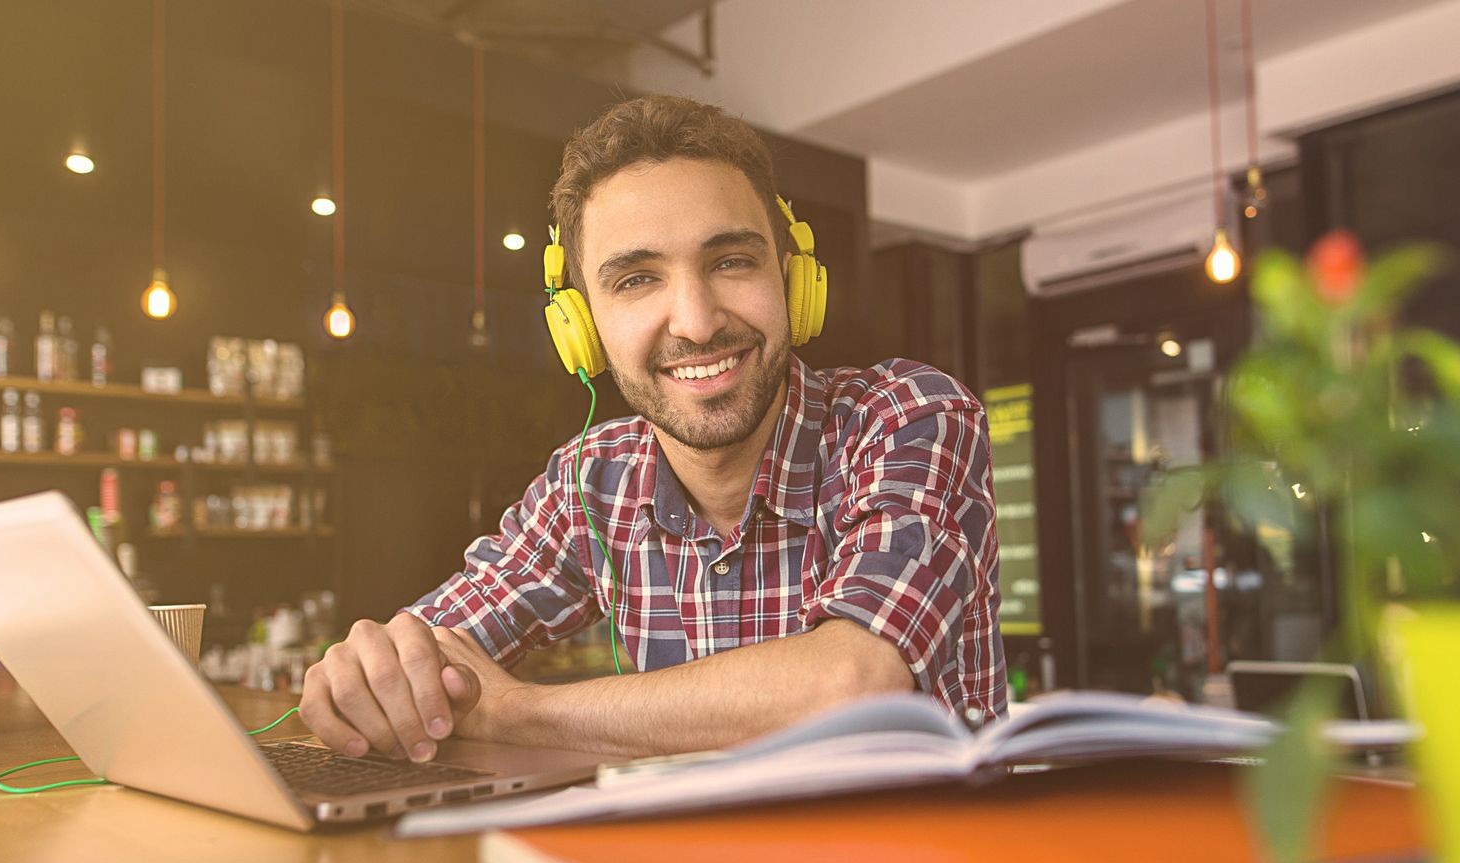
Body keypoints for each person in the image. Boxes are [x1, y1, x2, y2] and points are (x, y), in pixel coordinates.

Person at [299, 95, 1004, 763]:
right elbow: (427, 652)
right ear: (581, 327)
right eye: (636, 279)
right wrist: (372, 675)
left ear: (794, 279)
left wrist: (519, 712)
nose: (696, 322)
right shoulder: (590, 481)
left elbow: (852, 683)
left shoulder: (912, 416)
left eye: (731, 261)